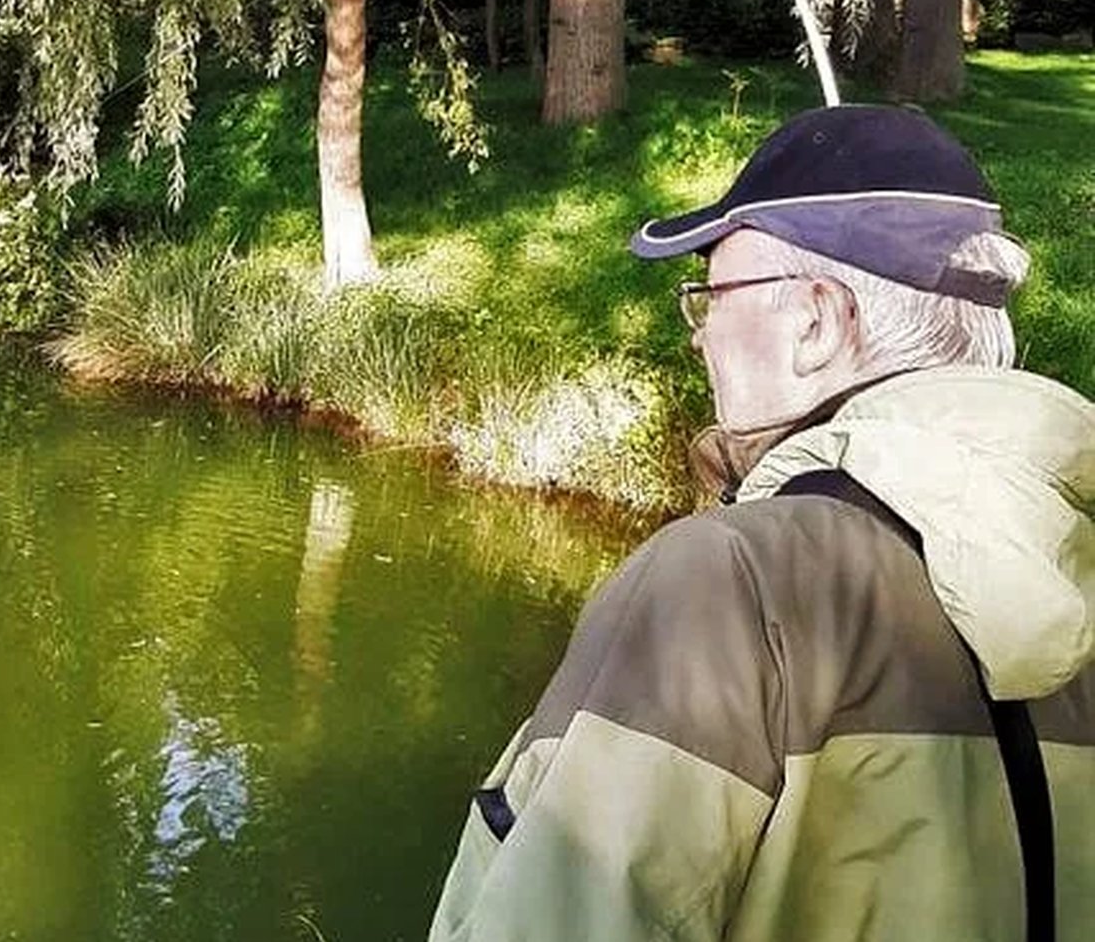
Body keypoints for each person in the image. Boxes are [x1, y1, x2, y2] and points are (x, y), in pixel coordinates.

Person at [426, 104, 1094, 942]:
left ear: (816, 321)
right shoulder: (1075, 560)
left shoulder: (729, 584)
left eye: (712, 294)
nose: (700, 338)